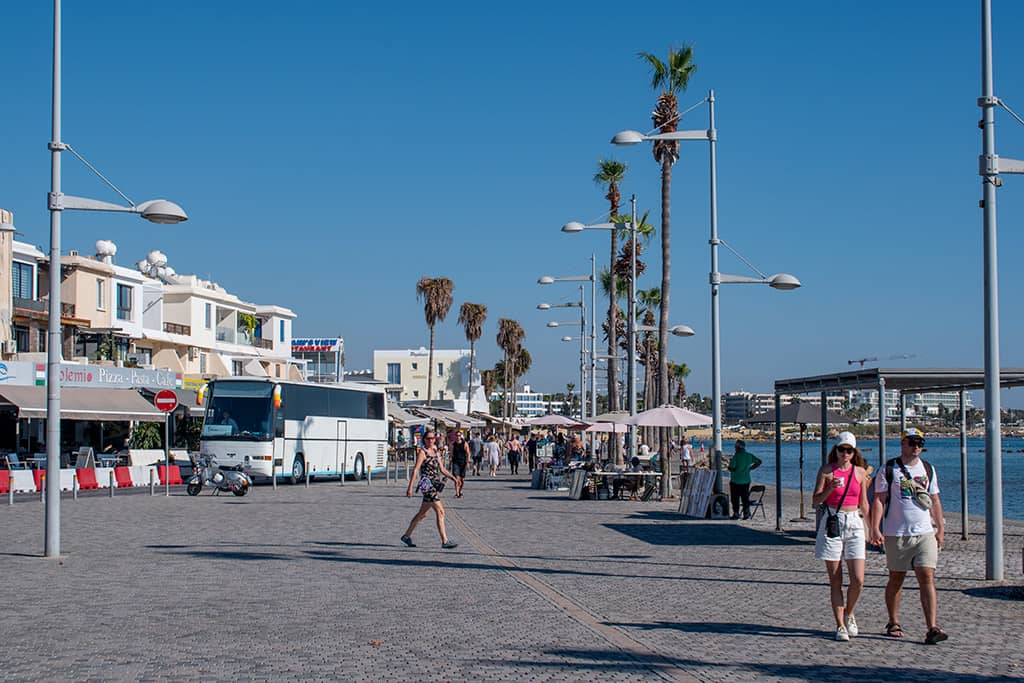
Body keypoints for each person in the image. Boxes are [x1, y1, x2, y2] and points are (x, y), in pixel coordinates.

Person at [869, 428, 947, 644]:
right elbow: (878, 500)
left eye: (920, 443)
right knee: (896, 578)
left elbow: (935, 500)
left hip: (924, 533)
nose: (916, 447)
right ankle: (893, 621)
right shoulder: (889, 469)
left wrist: (940, 528)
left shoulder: (928, 469)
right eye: (912, 442)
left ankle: (932, 627)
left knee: (927, 577)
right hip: (897, 533)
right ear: (903, 443)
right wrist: (874, 528)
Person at [811, 432, 870, 642]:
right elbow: (815, 500)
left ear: (854, 453)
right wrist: (829, 489)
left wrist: (873, 530)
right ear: (835, 450)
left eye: (849, 450)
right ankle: (840, 625)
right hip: (833, 520)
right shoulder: (827, 471)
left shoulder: (860, 473)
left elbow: (864, 503)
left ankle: (850, 612)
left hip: (854, 521)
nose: (845, 454)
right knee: (835, 579)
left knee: (858, 579)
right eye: (842, 449)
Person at [401, 431, 458, 549]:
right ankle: (445, 541)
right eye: (428, 438)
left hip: (434, 484)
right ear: (424, 439)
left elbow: (442, 469)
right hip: (426, 484)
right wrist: (410, 487)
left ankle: (406, 535)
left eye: (433, 438)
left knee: (423, 514)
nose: (431, 440)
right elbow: (416, 470)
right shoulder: (423, 452)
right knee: (440, 511)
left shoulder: (436, 452)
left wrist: (452, 478)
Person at [727, 439, 762, 520]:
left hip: (736, 480)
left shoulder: (736, 456)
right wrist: (751, 468)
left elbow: (732, 467)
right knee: (745, 498)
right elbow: (759, 461)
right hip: (746, 480)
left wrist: (730, 468)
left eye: (735, 446)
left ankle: (736, 513)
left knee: (735, 498)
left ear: (737, 447)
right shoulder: (749, 455)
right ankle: (746, 514)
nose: (734, 448)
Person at [449, 431, 470, 498]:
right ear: (455, 436)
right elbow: (451, 454)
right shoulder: (452, 444)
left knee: (462, 480)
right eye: (457, 435)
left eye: (459, 435)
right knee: (456, 478)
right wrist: (450, 463)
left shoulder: (465, 443)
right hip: (455, 462)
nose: (458, 437)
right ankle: (457, 493)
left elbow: (468, 453)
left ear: (461, 436)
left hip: (463, 462)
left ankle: (460, 491)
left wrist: (467, 462)